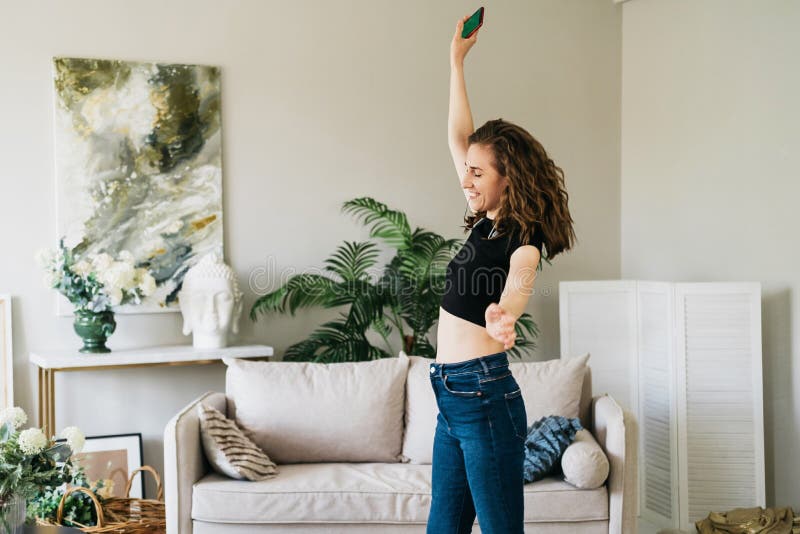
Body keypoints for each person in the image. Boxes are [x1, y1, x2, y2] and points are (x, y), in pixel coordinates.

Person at [426, 13, 577, 534]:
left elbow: (520, 281)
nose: (465, 179)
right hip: (450, 397)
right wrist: (456, 62)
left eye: (477, 172)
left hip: (483, 397)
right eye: (465, 169)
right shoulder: (485, 223)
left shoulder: (523, 240)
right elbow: (458, 135)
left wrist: (506, 315)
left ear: (506, 178)